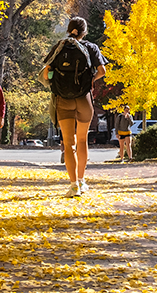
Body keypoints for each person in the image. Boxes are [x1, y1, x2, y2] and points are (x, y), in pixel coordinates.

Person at [41, 16, 107, 197]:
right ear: (85, 32)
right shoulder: (91, 48)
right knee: (82, 141)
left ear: (69, 30)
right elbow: (102, 71)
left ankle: (73, 186)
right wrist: (88, 80)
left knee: (68, 143)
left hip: (63, 100)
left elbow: (46, 73)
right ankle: (81, 180)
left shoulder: (59, 47)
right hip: (83, 99)